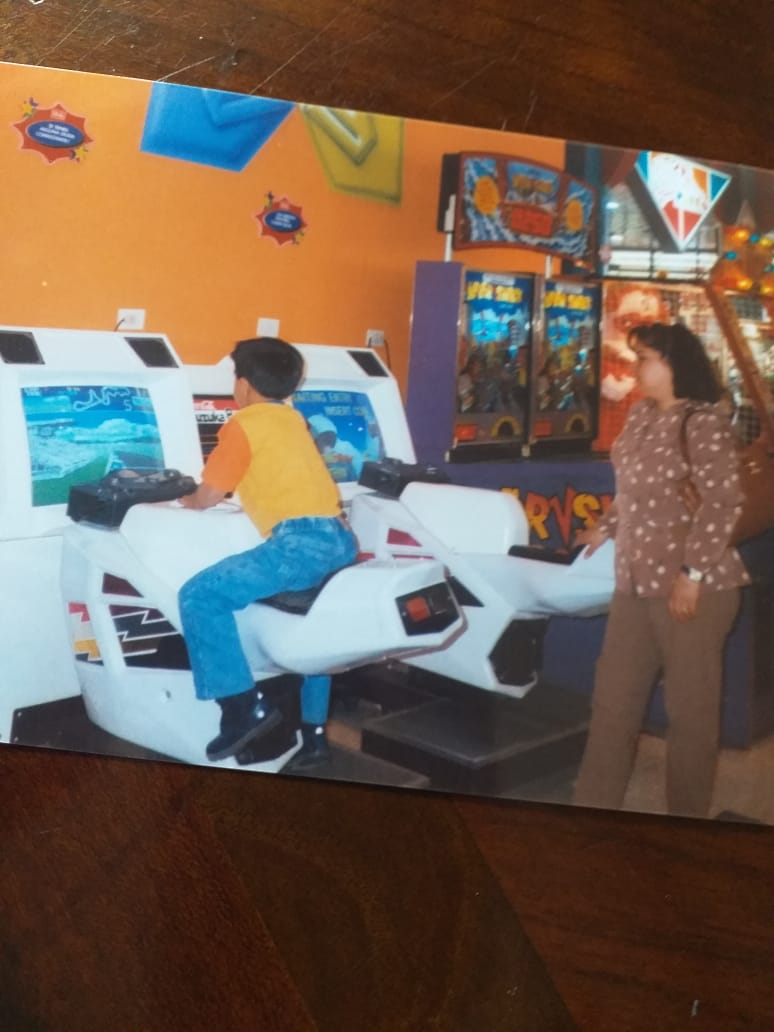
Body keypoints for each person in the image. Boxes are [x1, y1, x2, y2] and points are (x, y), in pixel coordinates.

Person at [573, 322, 750, 819]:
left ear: (674, 364)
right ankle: (590, 814)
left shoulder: (703, 423)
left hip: (694, 589)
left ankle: (685, 824)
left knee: (690, 716)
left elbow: (723, 503)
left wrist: (692, 573)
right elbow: (630, 490)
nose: (636, 367)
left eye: (645, 357)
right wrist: (605, 528)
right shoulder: (639, 415)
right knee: (613, 703)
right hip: (634, 583)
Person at [178, 337, 358, 764]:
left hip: (299, 543)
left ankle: (243, 708)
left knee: (199, 596)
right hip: (338, 538)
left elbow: (209, 494)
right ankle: (314, 736)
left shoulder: (242, 424)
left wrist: (184, 497)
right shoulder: (294, 421)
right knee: (314, 629)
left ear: (242, 384)